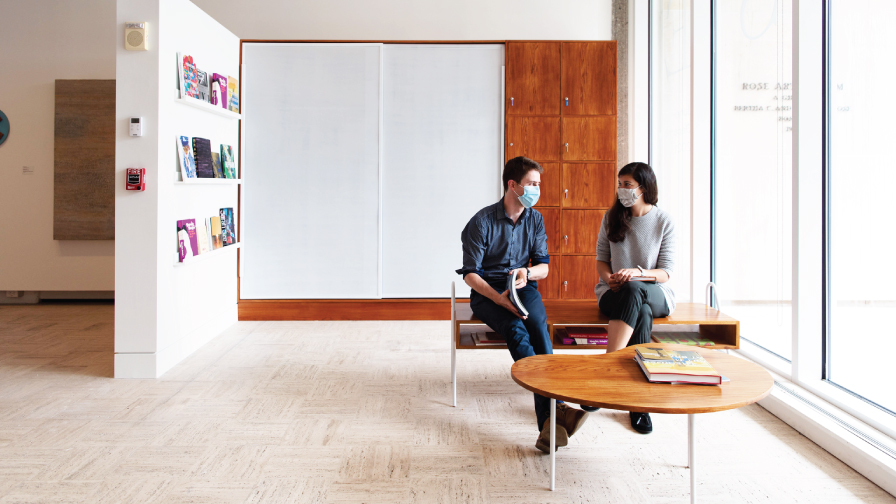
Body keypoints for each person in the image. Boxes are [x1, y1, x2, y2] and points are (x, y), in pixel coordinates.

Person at [457, 156, 589, 453]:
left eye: (538, 184)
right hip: (488, 292)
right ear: (512, 185)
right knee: (517, 330)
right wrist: (498, 298)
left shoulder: (535, 219)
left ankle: (549, 419)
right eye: (531, 184)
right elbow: (470, 274)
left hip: (522, 285)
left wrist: (525, 273)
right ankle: (555, 412)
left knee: (540, 330)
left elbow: (543, 267)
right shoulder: (482, 221)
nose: (536, 189)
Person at [590, 161, 676, 435]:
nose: (621, 190)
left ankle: (607, 373)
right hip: (614, 293)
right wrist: (609, 278)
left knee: (636, 289)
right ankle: (638, 404)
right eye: (619, 184)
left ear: (644, 188)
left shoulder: (664, 221)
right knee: (641, 311)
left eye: (627, 185)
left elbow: (666, 273)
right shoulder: (611, 217)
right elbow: (602, 260)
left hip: (655, 292)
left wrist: (637, 274)